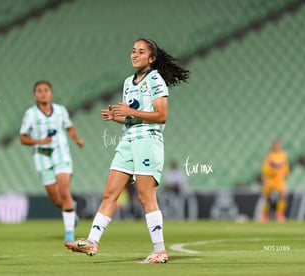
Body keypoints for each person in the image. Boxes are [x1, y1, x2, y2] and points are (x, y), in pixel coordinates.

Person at [65, 38, 189, 264]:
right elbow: (132, 118)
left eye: (141, 52)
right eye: (133, 50)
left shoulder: (155, 79)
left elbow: (161, 116)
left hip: (148, 141)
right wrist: (117, 117)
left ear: (151, 58)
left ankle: (160, 250)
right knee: (109, 192)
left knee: (145, 196)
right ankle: (92, 241)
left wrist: (130, 111)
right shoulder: (127, 82)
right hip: (128, 140)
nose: (135, 54)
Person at [20, 80, 84, 243]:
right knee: (57, 200)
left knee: (64, 191)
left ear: (51, 93)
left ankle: (69, 233)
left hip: (61, 154)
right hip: (42, 157)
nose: (43, 93)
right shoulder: (30, 114)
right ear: (35, 94)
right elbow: (23, 138)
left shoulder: (61, 111)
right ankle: (71, 210)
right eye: (39, 90)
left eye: (46, 90)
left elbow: (69, 127)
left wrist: (77, 139)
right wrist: (40, 142)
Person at [261, 139, 289, 222]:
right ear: (273, 146)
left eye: (279, 145)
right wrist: (265, 177)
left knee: (283, 194)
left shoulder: (283, 155)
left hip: (279, 179)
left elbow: (285, 165)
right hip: (270, 178)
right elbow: (265, 167)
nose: (277, 147)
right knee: (268, 198)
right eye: (276, 145)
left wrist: (286, 173)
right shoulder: (270, 156)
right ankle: (264, 215)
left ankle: (279, 214)